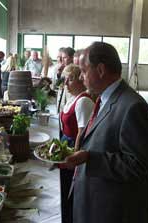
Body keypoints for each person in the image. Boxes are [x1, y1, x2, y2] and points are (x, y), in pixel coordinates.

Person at [63, 42, 148, 223]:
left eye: (83, 71)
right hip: (92, 202)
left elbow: (141, 167)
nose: (81, 78)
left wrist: (90, 158)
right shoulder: (104, 99)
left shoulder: (133, 106)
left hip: (110, 211)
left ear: (100, 70)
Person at [59, 64, 94, 223]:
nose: (66, 83)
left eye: (71, 79)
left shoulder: (83, 101)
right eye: (65, 79)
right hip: (66, 143)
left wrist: (74, 156)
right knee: (63, 187)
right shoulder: (74, 98)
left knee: (69, 189)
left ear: (81, 80)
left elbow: (83, 132)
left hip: (74, 147)